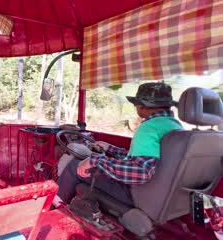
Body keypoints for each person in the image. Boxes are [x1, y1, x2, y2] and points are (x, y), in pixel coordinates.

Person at [54, 82, 183, 207]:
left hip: (134, 193)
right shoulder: (174, 125)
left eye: (136, 104)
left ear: (143, 106)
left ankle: (53, 207)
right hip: (159, 194)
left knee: (74, 166)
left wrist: (95, 160)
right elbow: (146, 159)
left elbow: (141, 171)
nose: (135, 107)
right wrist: (110, 148)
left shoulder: (149, 127)